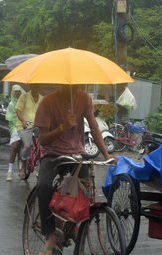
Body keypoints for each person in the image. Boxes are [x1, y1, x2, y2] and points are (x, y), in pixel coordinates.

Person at [34, 85, 117, 255]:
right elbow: (42, 139)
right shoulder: (47, 103)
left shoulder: (84, 98)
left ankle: (71, 224)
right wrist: (63, 127)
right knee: (44, 186)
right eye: (69, 85)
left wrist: (106, 155)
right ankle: (50, 235)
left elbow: (94, 128)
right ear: (61, 84)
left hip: (77, 153)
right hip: (53, 154)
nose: (74, 88)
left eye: (77, 85)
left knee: (86, 187)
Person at [15, 84, 43, 179]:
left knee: (43, 145)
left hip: (37, 125)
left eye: (38, 87)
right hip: (25, 126)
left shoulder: (42, 99)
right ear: (31, 87)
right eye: (34, 87)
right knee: (27, 145)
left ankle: (41, 166)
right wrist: (23, 121)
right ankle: (23, 165)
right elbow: (18, 111)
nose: (36, 88)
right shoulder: (24, 97)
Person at [5, 85, 26, 181]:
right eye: (16, 92)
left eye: (19, 91)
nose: (18, 93)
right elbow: (11, 118)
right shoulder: (11, 104)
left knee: (34, 145)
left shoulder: (26, 102)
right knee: (15, 146)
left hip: (26, 125)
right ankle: (10, 171)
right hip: (15, 126)